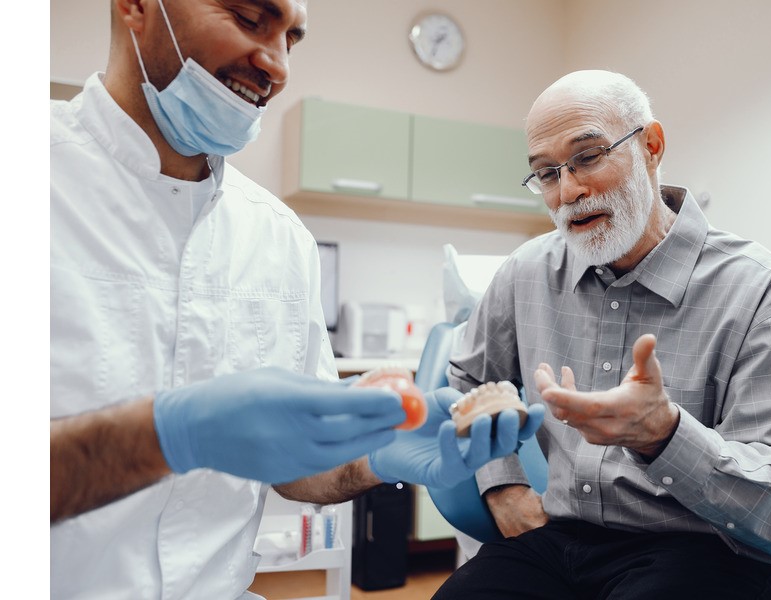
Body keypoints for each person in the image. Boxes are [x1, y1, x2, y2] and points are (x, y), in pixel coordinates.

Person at [49, 1, 543, 598]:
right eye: (249, 17)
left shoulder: (278, 237)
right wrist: (165, 436)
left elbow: (298, 472)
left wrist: (372, 456)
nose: (277, 66)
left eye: (293, 38)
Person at [435, 70, 771, 599]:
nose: (569, 191)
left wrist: (666, 435)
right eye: (546, 173)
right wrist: (503, 484)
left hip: (710, 548)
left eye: (588, 157)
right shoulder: (527, 272)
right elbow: (468, 378)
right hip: (562, 540)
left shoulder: (759, 290)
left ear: (651, 146)